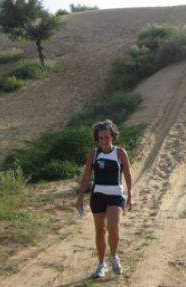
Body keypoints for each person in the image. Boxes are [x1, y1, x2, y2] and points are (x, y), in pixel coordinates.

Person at [75, 119, 133, 278]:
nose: (104, 141)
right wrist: (80, 198)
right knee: (100, 230)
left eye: (107, 137)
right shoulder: (93, 154)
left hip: (116, 196)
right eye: (101, 138)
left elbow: (127, 174)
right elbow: (86, 177)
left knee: (113, 229)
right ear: (97, 138)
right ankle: (101, 264)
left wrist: (131, 196)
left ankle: (114, 257)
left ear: (112, 137)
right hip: (98, 196)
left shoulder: (120, 153)